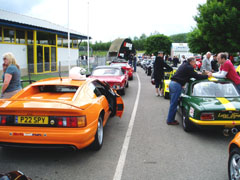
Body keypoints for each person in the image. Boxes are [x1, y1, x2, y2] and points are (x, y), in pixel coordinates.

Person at [166, 57, 211, 125]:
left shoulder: (185, 65)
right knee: (174, 104)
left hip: (173, 84)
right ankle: (170, 120)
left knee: (173, 103)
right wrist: (207, 76)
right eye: (195, 62)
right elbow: (196, 76)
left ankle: (170, 119)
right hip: (176, 85)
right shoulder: (189, 67)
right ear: (191, 62)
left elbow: (189, 75)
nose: (195, 63)